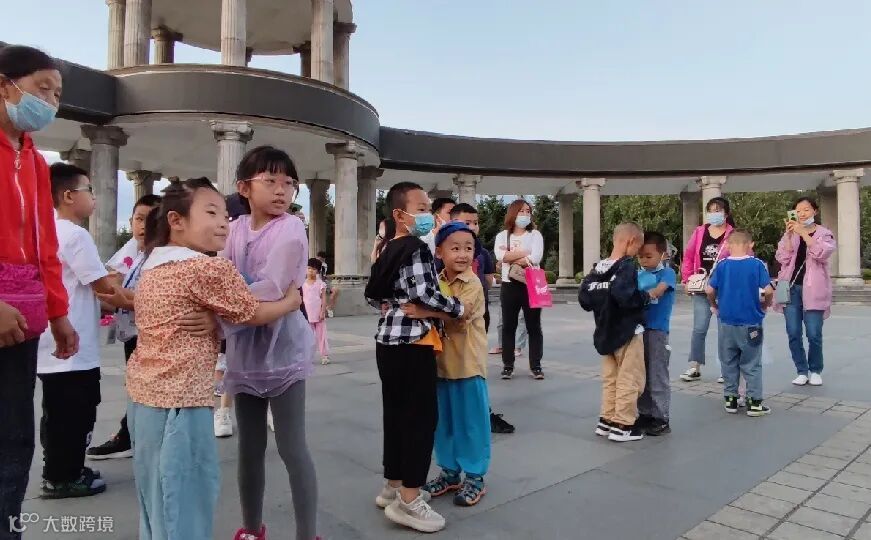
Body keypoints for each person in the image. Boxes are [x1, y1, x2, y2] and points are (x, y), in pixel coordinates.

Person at [127, 177, 302, 540]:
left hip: (143, 401)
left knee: (155, 502)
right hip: (182, 405)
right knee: (185, 503)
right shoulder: (206, 268)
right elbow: (252, 311)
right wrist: (290, 302)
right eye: (211, 213)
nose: (223, 223)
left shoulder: (152, 264)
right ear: (176, 221)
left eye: (225, 215)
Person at [0, 45, 79, 538]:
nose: (49, 102)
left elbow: (44, 246)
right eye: (41, 89)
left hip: (21, 320)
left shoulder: (34, 161)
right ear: (5, 85)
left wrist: (57, 313)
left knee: (14, 440)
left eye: (57, 94)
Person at [221, 146, 319, 540]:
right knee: (249, 448)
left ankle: (307, 534)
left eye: (289, 183)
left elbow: (273, 286)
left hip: (283, 349)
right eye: (271, 181)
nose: (282, 190)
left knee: (293, 447)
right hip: (244, 349)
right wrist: (235, 298)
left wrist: (230, 301)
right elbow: (221, 277)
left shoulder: (292, 227)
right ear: (244, 187)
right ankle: (250, 528)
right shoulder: (234, 229)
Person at [364, 182, 464, 533]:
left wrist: (394, 306)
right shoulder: (416, 249)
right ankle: (409, 499)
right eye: (421, 208)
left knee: (395, 415)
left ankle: (392, 486)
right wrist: (456, 307)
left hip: (387, 341)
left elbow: (372, 296)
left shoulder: (386, 249)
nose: (428, 215)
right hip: (413, 343)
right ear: (399, 214)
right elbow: (427, 294)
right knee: (420, 420)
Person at [36, 164, 125, 498]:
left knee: (55, 412)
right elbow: (103, 287)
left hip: (50, 341)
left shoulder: (45, 230)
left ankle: (58, 470)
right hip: (73, 343)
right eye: (89, 190)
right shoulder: (75, 235)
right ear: (68, 196)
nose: (94, 197)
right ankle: (65, 477)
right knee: (76, 412)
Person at [401, 222, 491, 507]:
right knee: (444, 423)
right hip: (440, 365)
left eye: (468, 248)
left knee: (471, 423)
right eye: (455, 248)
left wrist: (423, 311)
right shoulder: (435, 280)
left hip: (467, 365)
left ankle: (475, 476)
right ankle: (450, 472)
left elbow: (460, 314)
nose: (463, 254)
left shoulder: (472, 283)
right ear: (439, 252)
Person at [579, 223, 648, 443]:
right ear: (631, 241)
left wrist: (604, 294)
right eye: (638, 248)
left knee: (611, 379)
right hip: (627, 332)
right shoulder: (626, 266)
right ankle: (623, 425)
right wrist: (645, 297)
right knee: (630, 379)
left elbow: (584, 298)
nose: (637, 253)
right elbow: (624, 296)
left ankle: (606, 420)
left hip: (605, 332)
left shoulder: (597, 269)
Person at [449, 203, 514, 434]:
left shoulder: (483, 253)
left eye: (475, 223)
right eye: (467, 222)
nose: (473, 227)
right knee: (452, 368)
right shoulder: (443, 255)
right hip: (451, 319)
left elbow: (487, 279)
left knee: (475, 365)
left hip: (477, 317)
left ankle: (482, 413)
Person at [706, 229, 774, 417]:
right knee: (752, 363)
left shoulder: (722, 265)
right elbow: (768, 290)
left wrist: (714, 305)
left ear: (728, 246)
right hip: (751, 322)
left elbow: (709, 290)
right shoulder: (757, 264)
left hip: (726, 321)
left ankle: (731, 400)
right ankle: (754, 403)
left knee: (728, 361)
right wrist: (765, 306)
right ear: (751, 245)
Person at [774, 197, 836, 387]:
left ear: (815, 211)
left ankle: (815, 370)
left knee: (813, 333)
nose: (802, 214)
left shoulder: (824, 233)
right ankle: (801, 370)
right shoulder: (791, 234)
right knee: (793, 332)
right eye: (798, 211)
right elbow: (783, 258)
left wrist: (804, 234)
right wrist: (789, 236)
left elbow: (822, 253)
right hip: (791, 288)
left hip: (814, 289)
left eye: (806, 210)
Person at [680, 196, 735, 382]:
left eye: (717, 210)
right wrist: (687, 280)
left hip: (725, 289)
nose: (713, 214)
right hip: (702, 287)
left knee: (724, 330)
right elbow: (688, 257)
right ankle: (694, 366)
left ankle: (726, 369)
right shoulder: (700, 232)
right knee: (699, 328)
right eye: (710, 211)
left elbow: (743, 256)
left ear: (726, 213)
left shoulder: (733, 234)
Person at [494, 199, 544, 380]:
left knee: (534, 326)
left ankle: (536, 366)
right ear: (513, 213)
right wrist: (525, 253)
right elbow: (500, 255)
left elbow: (536, 257)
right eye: (521, 211)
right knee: (509, 326)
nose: (525, 214)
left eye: (528, 211)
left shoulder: (535, 235)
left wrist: (511, 256)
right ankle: (508, 365)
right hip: (509, 284)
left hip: (531, 283)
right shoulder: (502, 236)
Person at [635, 232, 676, 436]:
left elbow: (659, 290)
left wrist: (642, 296)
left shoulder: (667, 273)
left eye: (649, 256)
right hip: (639, 330)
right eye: (640, 256)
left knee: (657, 374)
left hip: (657, 331)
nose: (644, 260)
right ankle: (645, 413)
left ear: (663, 254)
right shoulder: (637, 274)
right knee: (641, 374)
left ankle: (661, 417)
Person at [304, 257, 331, 365]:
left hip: (318, 313)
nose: (311, 271)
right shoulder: (303, 284)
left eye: (314, 269)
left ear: (318, 271)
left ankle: (324, 355)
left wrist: (322, 311)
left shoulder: (320, 284)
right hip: (307, 314)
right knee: (307, 337)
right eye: (309, 268)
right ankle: (308, 356)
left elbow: (323, 299)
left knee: (321, 335)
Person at [316, 250, 337, 317]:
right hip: (316, 281)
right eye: (320, 259)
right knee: (321, 294)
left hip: (324, 281)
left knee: (335, 291)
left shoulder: (325, 265)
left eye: (322, 259)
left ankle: (329, 308)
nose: (321, 260)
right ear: (317, 257)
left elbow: (323, 275)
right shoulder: (314, 264)